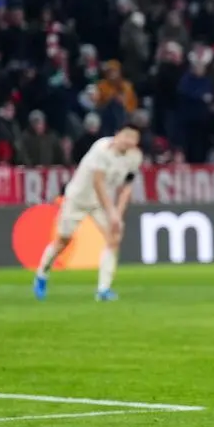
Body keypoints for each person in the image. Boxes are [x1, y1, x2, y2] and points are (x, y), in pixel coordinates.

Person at [33, 123, 144, 302]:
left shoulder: (134, 157)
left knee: (113, 238)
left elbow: (126, 187)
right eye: (126, 136)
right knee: (63, 240)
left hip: (101, 203)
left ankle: (103, 290)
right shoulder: (101, 149)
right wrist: (112, 212)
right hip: (78, 198)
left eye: (133, 138)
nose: (128, 141)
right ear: (117, 135)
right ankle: (42, 273)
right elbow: (97, 183)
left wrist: (118, 214)